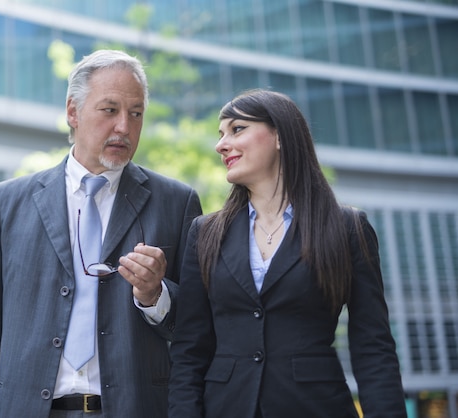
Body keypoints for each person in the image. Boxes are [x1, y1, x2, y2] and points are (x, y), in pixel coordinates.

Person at [0, 49, 202, 418]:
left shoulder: (177, 202)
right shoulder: (8, 202)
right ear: (72, 112)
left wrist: (155, 295)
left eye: (136, 114)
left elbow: (197, 332)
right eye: (110, 110)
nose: (124, 128)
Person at [168, 89, 406, 418]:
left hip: (316, 407)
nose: (221, 145)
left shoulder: (347, 227)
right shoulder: (205, 233)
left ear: (279, 135)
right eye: (220, 134)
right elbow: (189, 351)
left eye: (237, 129)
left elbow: (373, 347)